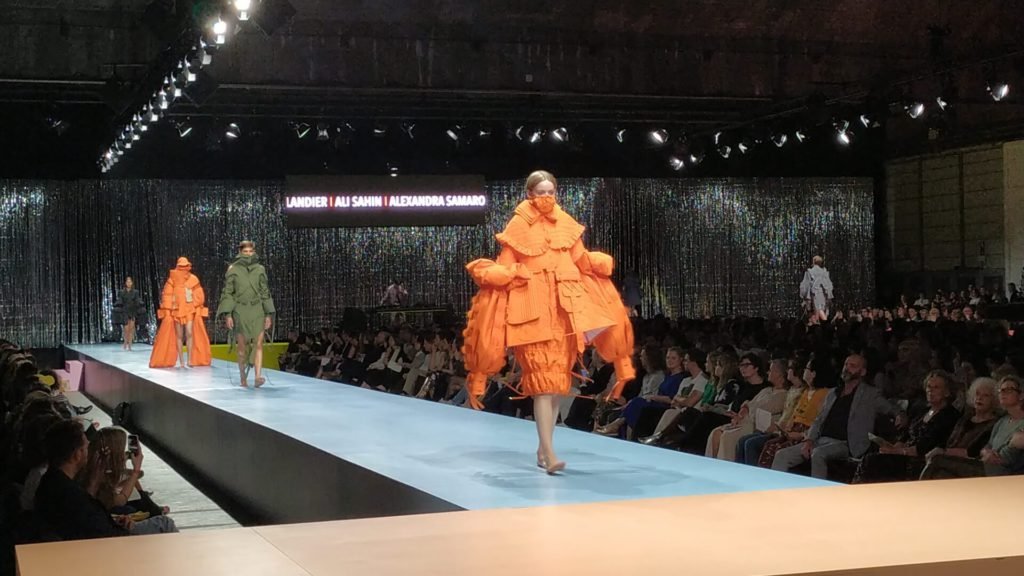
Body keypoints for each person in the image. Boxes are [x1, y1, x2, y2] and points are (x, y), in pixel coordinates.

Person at [461, 170, 635, 474]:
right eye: (541, 192)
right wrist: (506, 274)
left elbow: (580, 259)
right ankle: (550, 452)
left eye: (551, 192)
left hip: (565, 311)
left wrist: (597, 263)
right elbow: (506, 265)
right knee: (543, 384)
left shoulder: (566, 223)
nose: (547, 197)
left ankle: (544, 448)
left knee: (556, 385)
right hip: (531, 313)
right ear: (530, 194)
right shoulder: (518, 226)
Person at [216, 241, 275, 388]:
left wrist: (268, 314)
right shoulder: (233, 269)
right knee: (242, 347)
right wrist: (228, 314)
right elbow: (228, 293)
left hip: (257, 310)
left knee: (259, 343)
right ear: (240, 252)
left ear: (254, 252)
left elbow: (265, 291)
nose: (248, 254)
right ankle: (243, 378)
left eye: (251, 251)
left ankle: (257, 377)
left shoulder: (260, 269)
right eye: (246, 251)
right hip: (240, 310)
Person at [150, 257, 212, 368]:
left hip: (189, 308)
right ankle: (182, 361)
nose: (183, 269)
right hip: (177, 309)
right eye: (181, 266)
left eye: (185, 266)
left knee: (189, 332)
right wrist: (168, 310)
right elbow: (167, 295)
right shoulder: (172, 280)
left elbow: (199, 294)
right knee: (179, 335)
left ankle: (189, 360)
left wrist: (195, 304)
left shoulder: (193, 279)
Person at [112, 276, 144, 351]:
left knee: (131, 328)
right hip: (125, 311)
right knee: (126, 329)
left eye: (130, 281)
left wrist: (140, 305)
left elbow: (137, 301)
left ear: (132, 283)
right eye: (127, 282)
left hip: (133, 311)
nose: (129, 283)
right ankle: (125, 343)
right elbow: (120, 301)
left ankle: (130, 345)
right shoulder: (122, 292)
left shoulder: (135, 292)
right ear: (125, 283)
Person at [800, 255, 834, 324]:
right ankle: (822, 325)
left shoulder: (810, 271)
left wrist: (806, 297)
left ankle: (824, 324)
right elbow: (829, 285)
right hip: (823, 294)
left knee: (818, 310)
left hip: (815, 294)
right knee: (820, 310)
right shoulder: (824, 272)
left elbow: (806, 285)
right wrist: (829, 296)